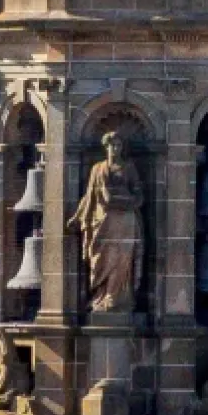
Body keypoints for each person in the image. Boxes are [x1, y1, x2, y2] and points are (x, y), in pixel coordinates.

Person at [71, 132, 144, 313]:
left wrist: (125, 201)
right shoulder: (97, 168)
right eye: (112, 145)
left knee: (122, 259)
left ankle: (117, 297)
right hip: (103, 220)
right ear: (106, 147)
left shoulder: (129, 168)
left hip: (125, 221)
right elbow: (89, 196)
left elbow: (139, 194)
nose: (115, 148)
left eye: (118, 145)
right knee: (102, 258)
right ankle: (100, 296)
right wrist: (78, 216)